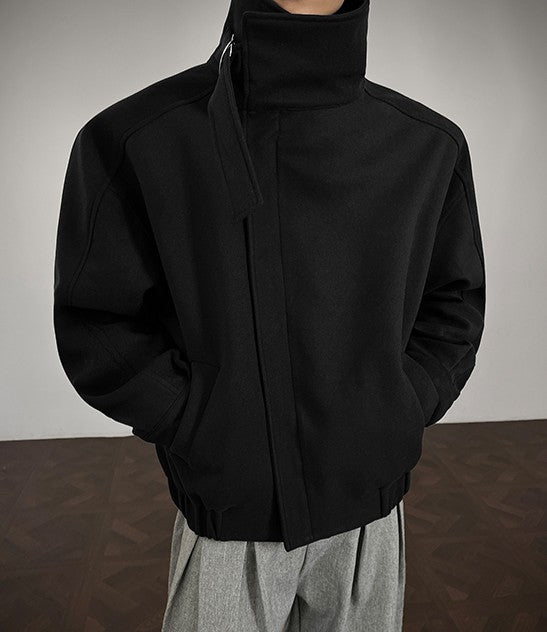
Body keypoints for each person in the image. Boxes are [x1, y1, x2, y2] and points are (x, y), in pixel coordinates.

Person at [52, 0, 486, 629]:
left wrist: (396, 407)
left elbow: (455, 304)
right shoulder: (137, 138)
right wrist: (199, 422)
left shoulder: (427, 145)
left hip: (370, 515)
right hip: (229, 520)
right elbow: (97, 320)